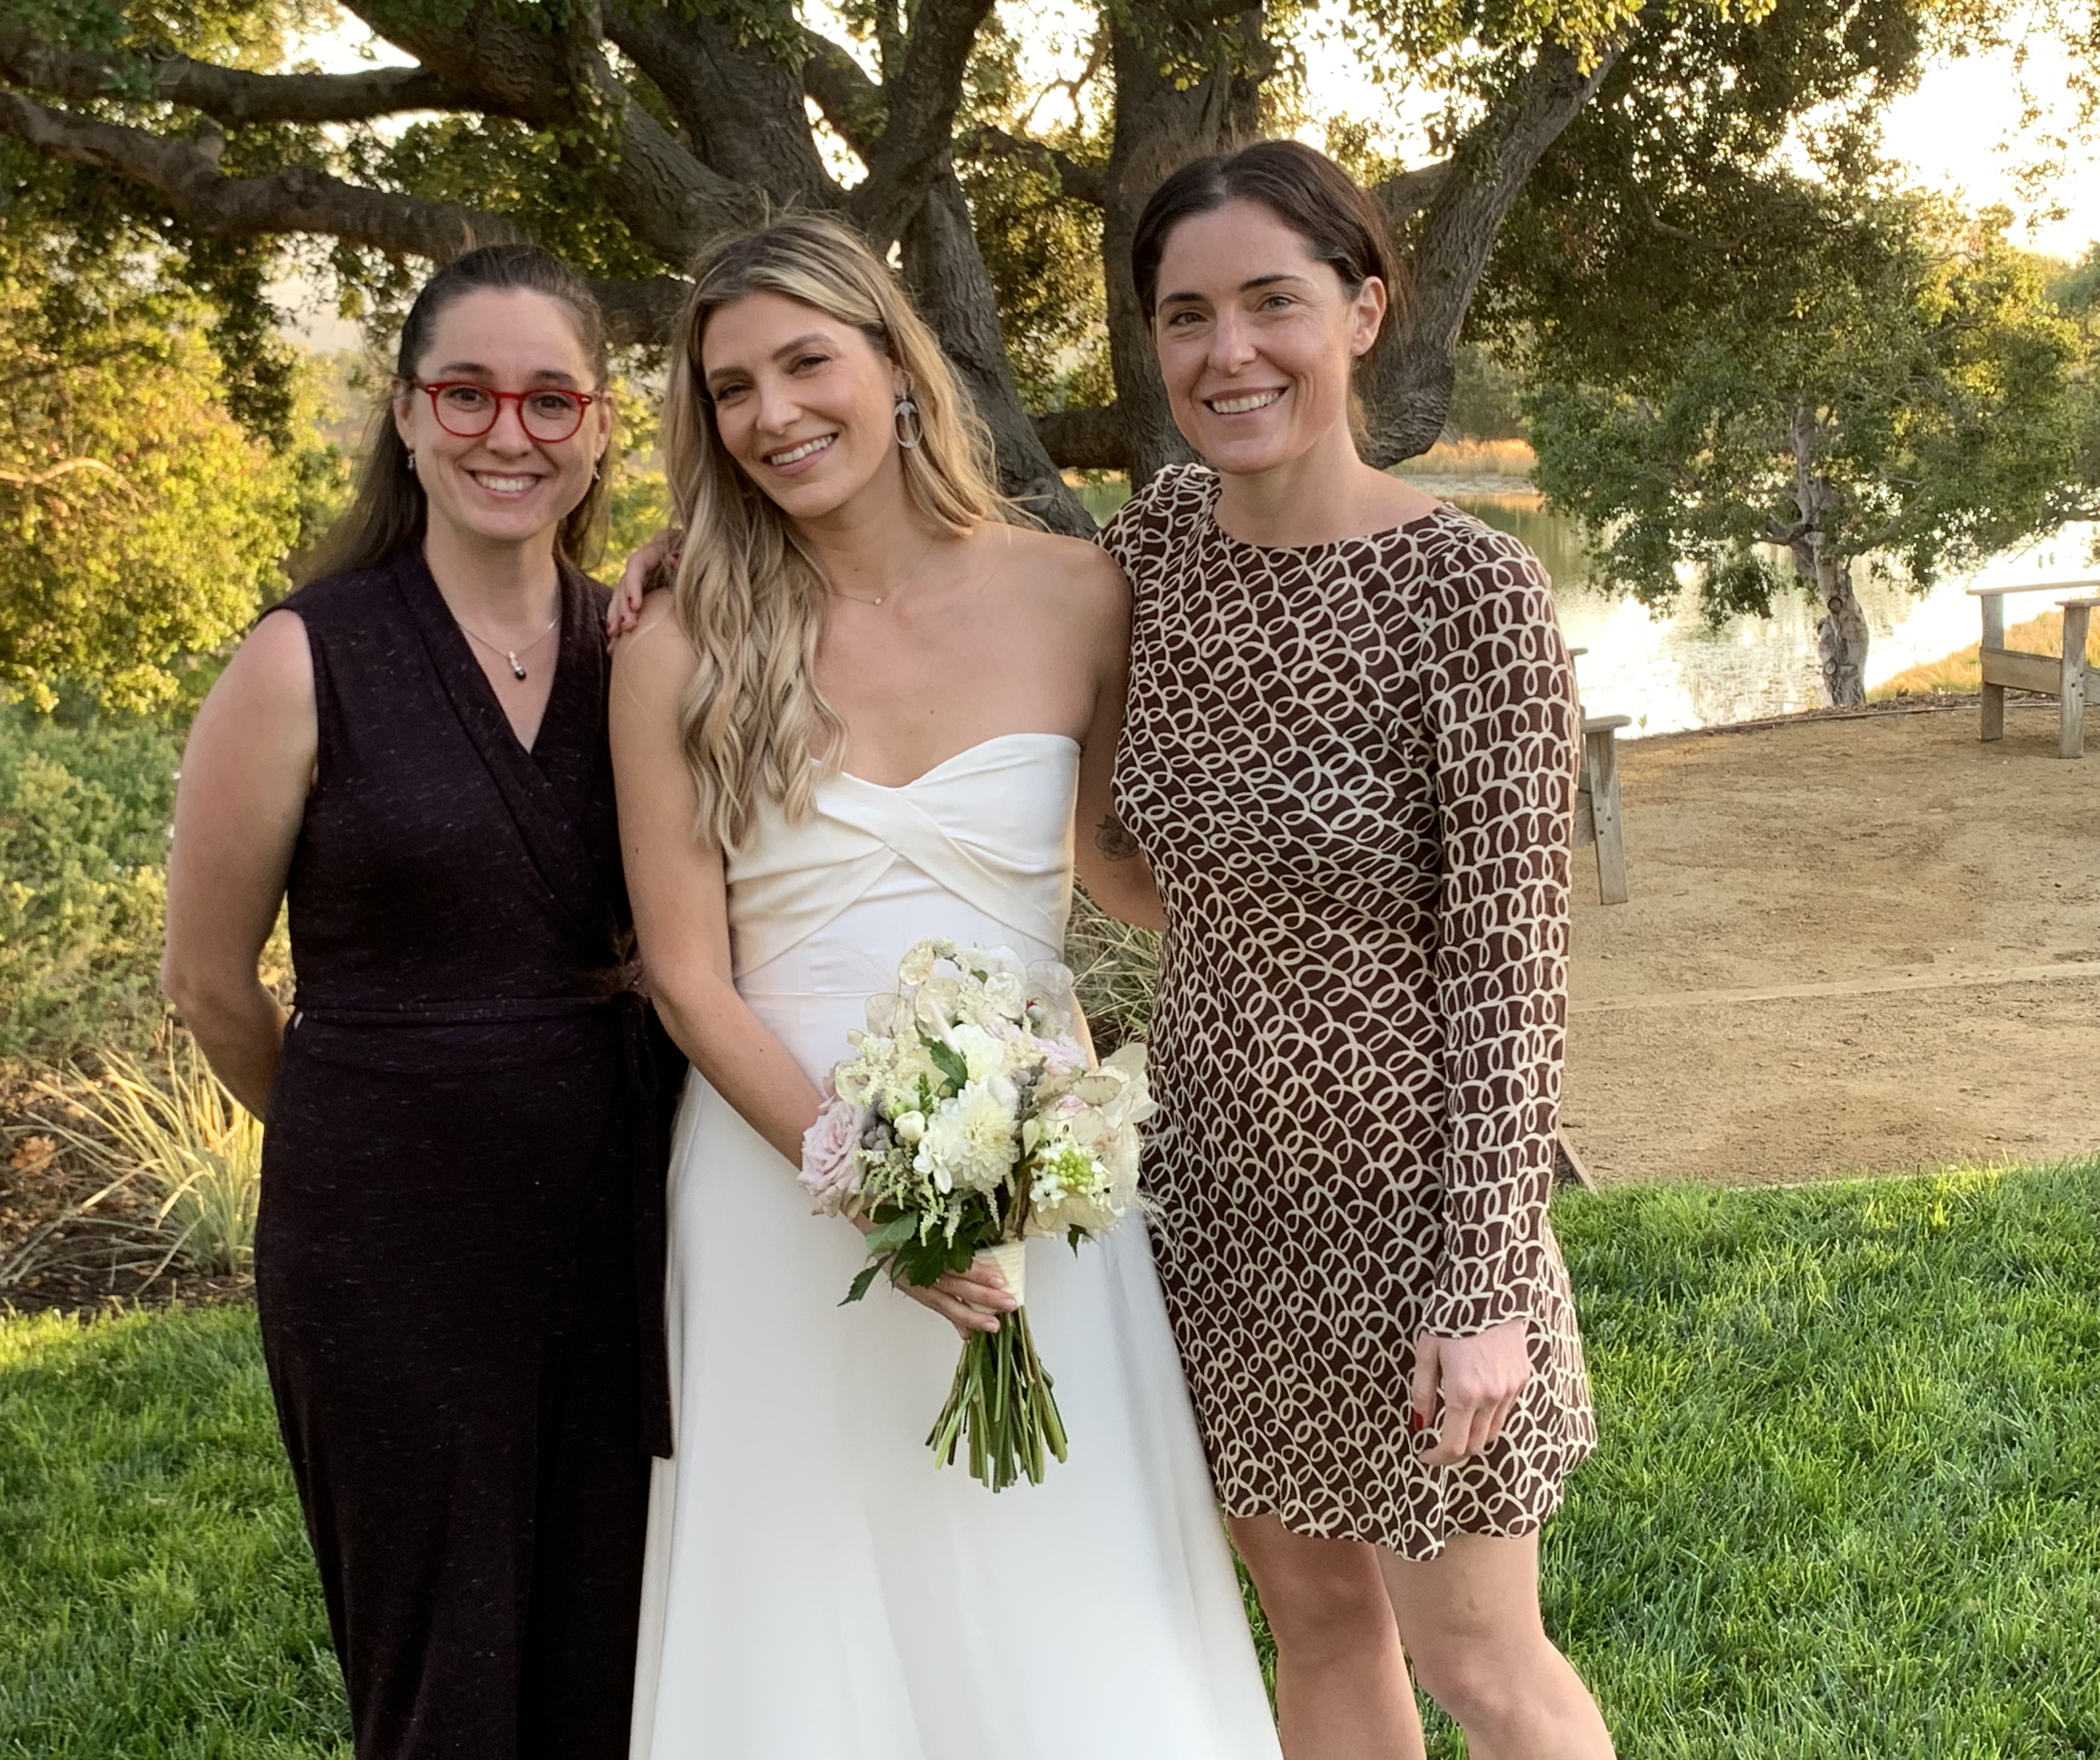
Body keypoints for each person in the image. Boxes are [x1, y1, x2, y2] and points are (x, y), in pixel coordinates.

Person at [609, 213, 1281, 1760]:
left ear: (899, 368)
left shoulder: (1079, 595)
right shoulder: (678, 642)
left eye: (805, 362)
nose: (774, 414)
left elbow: (1125, 867)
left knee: (1063, 1571)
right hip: (780, 1176)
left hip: (1044, 1166)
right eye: (730, 391)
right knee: (809, 1591)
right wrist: (861, 1186)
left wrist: (1356, 925)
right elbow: (692, 982)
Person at [1096, 141, 1612, 1759]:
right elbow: (943, 599)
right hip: (1214, 1208)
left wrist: (1484, 1286)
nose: (1227, 352)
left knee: (1482, 1666)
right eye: (1187, 315)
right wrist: (706, 561)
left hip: (1415, 1221)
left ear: (1364, 308)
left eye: (1272, 302)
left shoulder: (1473, 593)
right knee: (1317, 1633)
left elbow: (1518, 975)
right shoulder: (1151, 551)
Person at [161, 243, 680, 1759]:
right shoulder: (300, 659)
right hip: (384, 1251)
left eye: (547, 399)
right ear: (405, 412)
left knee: (619, 1662)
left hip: (622, 1227)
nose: (505, 433)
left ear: (597, 427)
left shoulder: (639, 652)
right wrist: (371, 1135)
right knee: (439, 1682)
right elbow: (206, 987)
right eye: (467, 393)